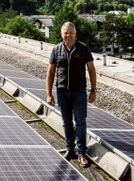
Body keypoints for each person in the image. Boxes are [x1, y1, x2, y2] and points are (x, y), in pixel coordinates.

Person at [46, 22, 97, 168]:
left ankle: (81, 153)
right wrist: (49, 94)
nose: (68, 35)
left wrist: (93, 90)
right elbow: (50, 72)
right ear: (62, 34)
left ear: (75, 34)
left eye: (71, 33)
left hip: (79, 92)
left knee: (80, 122)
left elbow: (91, 69)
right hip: (62, 92)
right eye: (65, 33)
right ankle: (70, 150)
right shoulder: (56, 50)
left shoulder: (83, 48)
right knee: (66, 122)